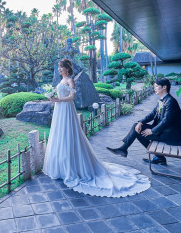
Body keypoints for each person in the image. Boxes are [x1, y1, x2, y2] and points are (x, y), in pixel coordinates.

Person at [43, 59, 150, 197]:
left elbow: (72, 97)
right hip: (59, 109)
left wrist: (58, 100)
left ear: (67, 69)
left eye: (61, 68)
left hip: (66, 109)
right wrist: (53, 98)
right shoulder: (61, 80)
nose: (59, 70)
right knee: (59, 134)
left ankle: (71, 166)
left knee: (69, 134)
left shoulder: (70, 80)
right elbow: (61, 94)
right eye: (59, 68)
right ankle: (60, 165)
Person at [107, 78, 181, 165]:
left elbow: (166, 121)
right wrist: (140, 122)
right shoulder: (163, 99)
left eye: (156, 86)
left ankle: (124, 149)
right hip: (163, 130)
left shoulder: (170, 101)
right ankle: (124, 149)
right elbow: (152, 114)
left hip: (169, 134)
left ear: (164, 87)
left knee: (138, 132)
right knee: (137, 127)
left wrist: (152, 131)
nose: (154, 88)